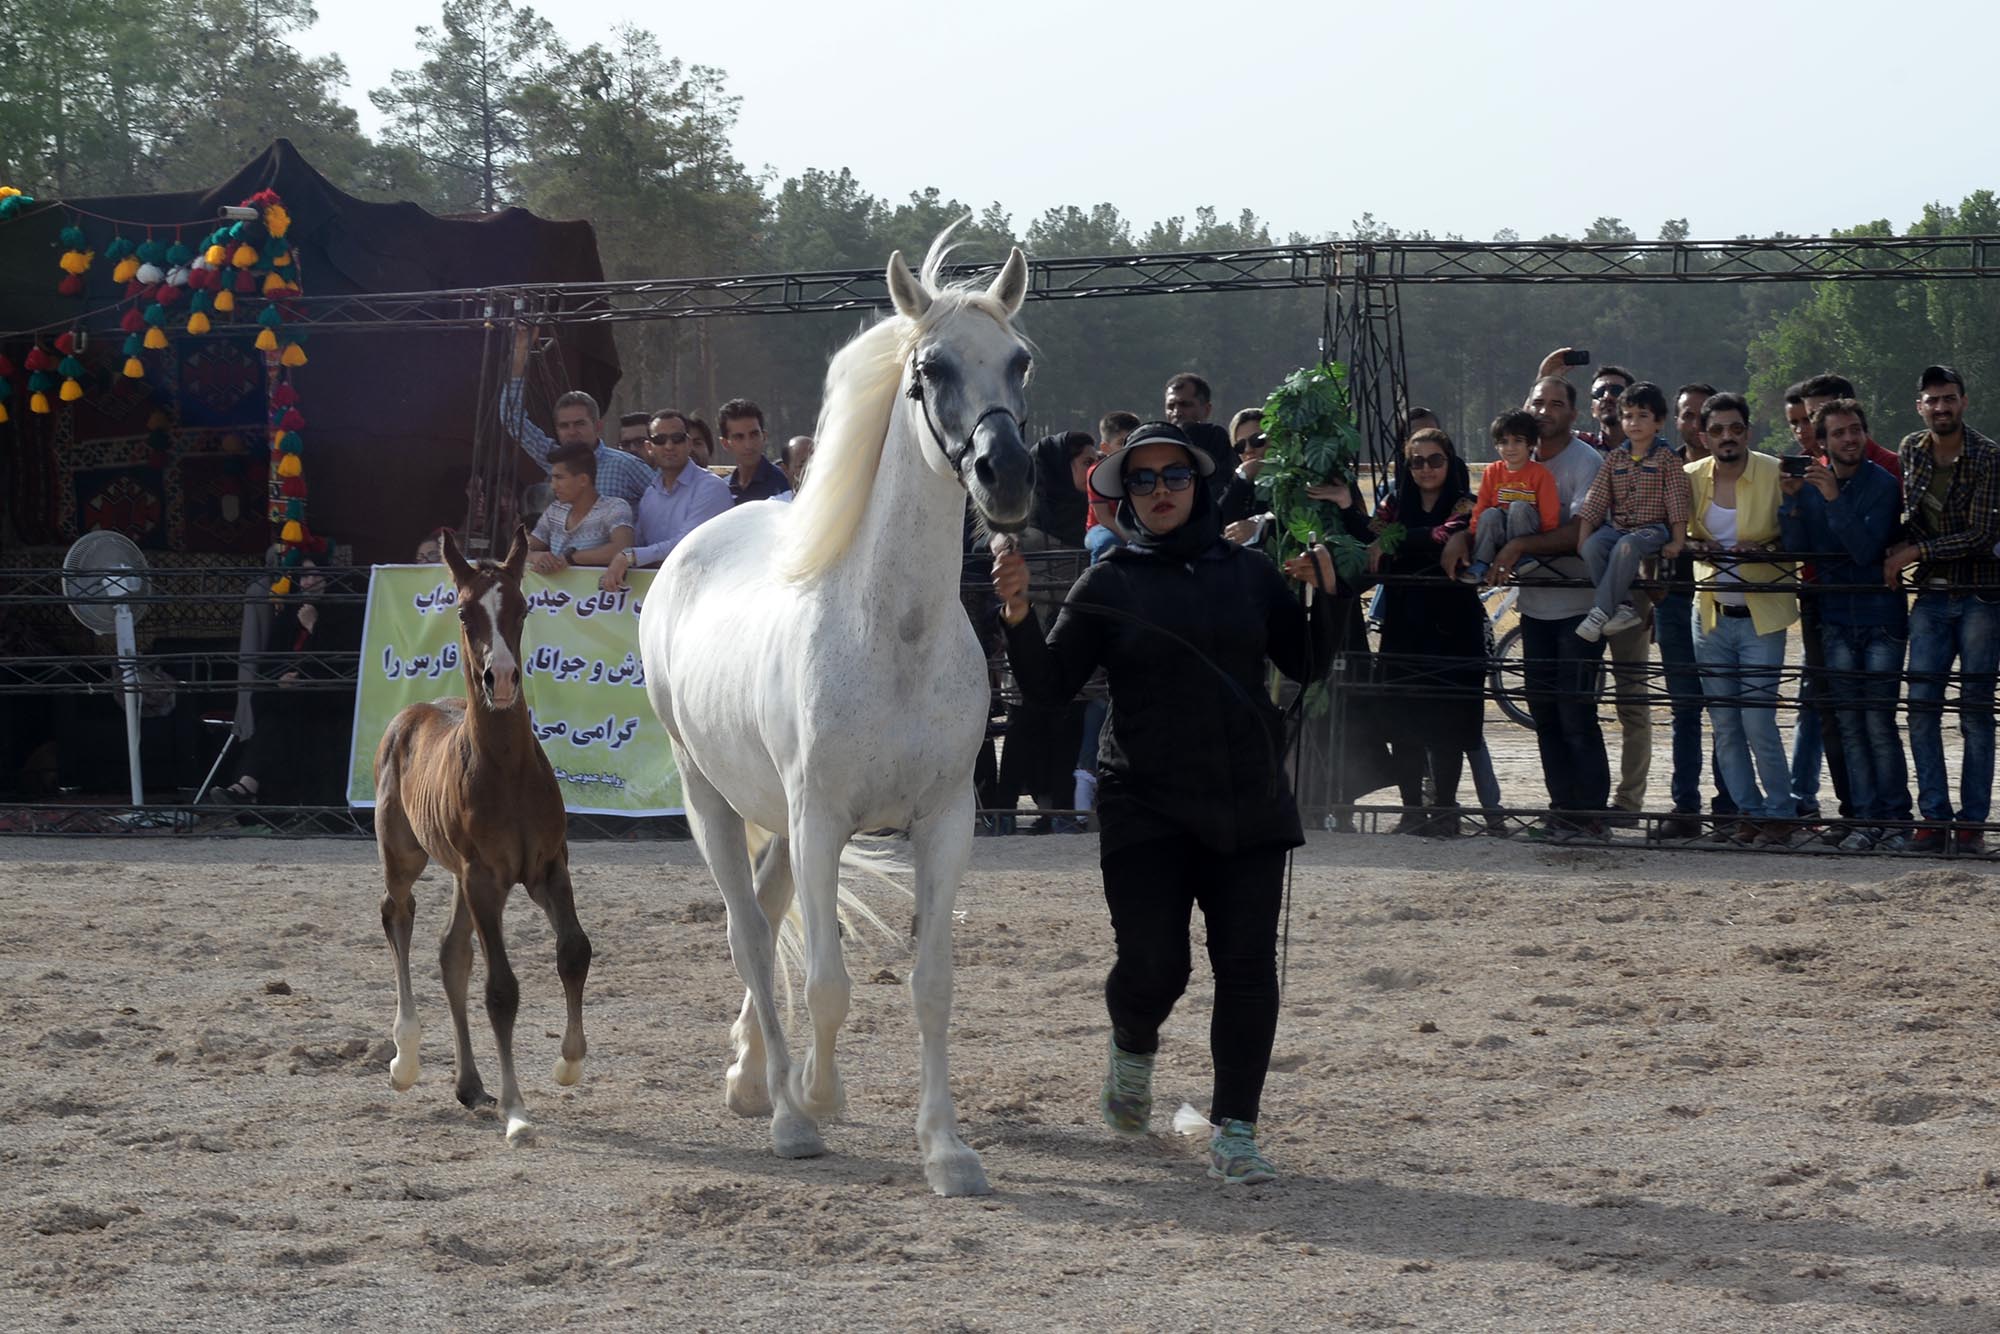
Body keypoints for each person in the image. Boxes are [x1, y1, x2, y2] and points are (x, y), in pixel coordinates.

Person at [990, 419, 1338, 1186]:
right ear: (1124, 495)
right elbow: (1047, 691)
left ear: (1199, 484)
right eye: (1140, 481)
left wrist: (1327, 600)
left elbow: (1305, 663)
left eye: (1171, 476)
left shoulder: (1250, 574)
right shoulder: (1108, 580)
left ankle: (1236, 1131)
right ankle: (1131, 1049)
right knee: (1156, 964)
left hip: (1248, 798)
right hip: (1142, 801)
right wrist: (1017, 617)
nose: (1158, 492)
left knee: (1247, 967)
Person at [1442, 375, 1608, 841]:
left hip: (1578, 605)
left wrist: (1518, 546)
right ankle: (1562, 809)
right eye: (1538, 402)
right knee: (1545, 712)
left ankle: (1593, 814)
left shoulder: (1585, 462)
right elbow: (1484, 512)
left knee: (1576, 713)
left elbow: (1579, 529)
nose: (1545, 410)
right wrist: (1462, 534)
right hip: (1534, 606)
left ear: (1573, 414)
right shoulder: (1514, 463)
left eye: (1556, 404)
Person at [1779, 398, 1911, 850]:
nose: (1849, 439)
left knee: (1879, 722)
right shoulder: (1813, 486)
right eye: (1838, 433)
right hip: (1834, 618)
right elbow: (1798, 549)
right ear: (1823, 441)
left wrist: (1833, 499)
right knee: (1850, 725)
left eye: (1855, 430)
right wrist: (1791, 503)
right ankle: (1865, 819)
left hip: (1880, 620)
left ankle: (1896, 820)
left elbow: (1866, 551)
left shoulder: (1884, 484)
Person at [1884, 364, 1999, 853]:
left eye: (1948, 398)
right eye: (1932, 400)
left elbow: (1981, 534)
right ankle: (1934, 819)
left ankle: (1971, 824)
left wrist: (1914, 553)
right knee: (1920, 709)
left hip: (1980, 596)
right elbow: (1911, 515)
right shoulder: (1912, 449)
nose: (1941, 407)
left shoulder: (1988, 457)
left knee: (1974, 713)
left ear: (1964, 402)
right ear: (1920, 406)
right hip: (1931, 596)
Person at [1686, 393, 1801, 846]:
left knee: (1758, 721)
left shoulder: (1774, 472)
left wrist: (1768, 550)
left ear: (1747, 432)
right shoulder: (1691, 477)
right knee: (1725, 724)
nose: (1727, 437)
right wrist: (1695, 547)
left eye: (1735, 428)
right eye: (1717, 430)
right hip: (1711, 615)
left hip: (1762, 616)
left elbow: (1798, 532)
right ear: (1704, 436)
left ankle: (1781, 811)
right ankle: (1749, 812)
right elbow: (1680, 534)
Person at [1363, 427, 1485, 835]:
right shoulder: (1394, 501)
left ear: (1449, 461)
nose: (1426, 469)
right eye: (1416, 462)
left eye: (1435, 459)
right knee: (1403, 720)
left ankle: (1446, 811)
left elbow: (1442, 534)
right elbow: (1374, 535)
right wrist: (1395, 540)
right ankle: (1412, 810)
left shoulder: (1466, 501)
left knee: (1446, 721)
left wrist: (1398, 541)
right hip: (1403, 621)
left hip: (1453, 624)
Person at [205, 558, 360, 807]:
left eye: (314, 575)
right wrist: (280, 679)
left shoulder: (343, 611)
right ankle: (246, 786)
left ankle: (247, 786)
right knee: (273, 720)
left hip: (327, 699)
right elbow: (270, 663)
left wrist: (314, 627)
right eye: (303, 577)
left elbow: (343, 661)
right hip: (288, 699)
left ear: (328, 578)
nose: (308, 582)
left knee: (280, 722)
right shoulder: (289, 614)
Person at [1657, 383, 1725, 837]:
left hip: (1722, 599)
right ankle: (1686, 805)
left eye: (1705, 416)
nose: (1696, 424)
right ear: (1677, 421)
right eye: (1688, 415)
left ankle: (1730, 804)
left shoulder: (1736, 469)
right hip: (1675, 599)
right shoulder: (1665, 467)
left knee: (1724, 709)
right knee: (1684, 710)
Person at [1574, 381, 1691, 642]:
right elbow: (1596, 498)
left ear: (1659, 422)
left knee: (1627, 546)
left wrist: (1678, 540)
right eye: (1627, 416)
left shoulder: (1667, 458)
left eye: (1642, 416)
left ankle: (1600, 611)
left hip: (1651, 530)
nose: (1633, 422)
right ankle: (1624, 606)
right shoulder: (1615, 458)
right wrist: (1583, 536)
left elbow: (1676, 500)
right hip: (1618, 528)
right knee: (1593, 547)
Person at [499, 326, 654, 506]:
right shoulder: (554, 459)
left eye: (579, 424)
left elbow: (665, 502)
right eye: (564, 426)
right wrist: (520, 351)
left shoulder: (626, 465)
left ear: (597, 426)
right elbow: (511, 417)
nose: (572, 432)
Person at [600, 408, 732, 591]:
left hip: (705, 592)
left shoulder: (711, 487)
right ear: (649, 447)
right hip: (661, 596)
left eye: (676, 439)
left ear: (688, 443)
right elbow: (639, 543)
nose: (669, 446)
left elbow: (687, 545)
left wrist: (630, 556)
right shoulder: (650, 495)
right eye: (660, 440)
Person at [1461, 409, 1559, 585]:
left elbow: (1549, 513)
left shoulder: (1540, 474)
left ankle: (1523, 558)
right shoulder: (1492, 471)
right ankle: (1481, 562)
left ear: (1530, 444)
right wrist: (1473, 534)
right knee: (1490, 513)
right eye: (1504, 442)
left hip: (1529, 537)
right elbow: (1481, 507)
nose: (1510, 448)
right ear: (1496, 446)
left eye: (1517, 441)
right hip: (1500, 533)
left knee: (1519, 507)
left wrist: (1545, 542)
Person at [528, 442, 635, 573]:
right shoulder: (554, 511)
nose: (553, 486)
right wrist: (536, 556)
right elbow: (521, 550)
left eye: (559, 478)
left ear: (583, 480)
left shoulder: (615, 508)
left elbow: (623, 549)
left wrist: (572, 558)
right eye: (552, 478)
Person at [1161, 372, 1236, 495]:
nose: (1176, 412)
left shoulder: (1215, 438)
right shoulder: (1157, 443)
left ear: (1206, 409)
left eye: (1185, 405)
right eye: (1170, 406)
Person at [717, 399, 792, 505]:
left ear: (764, 436)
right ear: (725, 443)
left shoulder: (782, 485)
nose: (748, 445)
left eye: (754, 435)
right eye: (739, 437)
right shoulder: (722, 490)